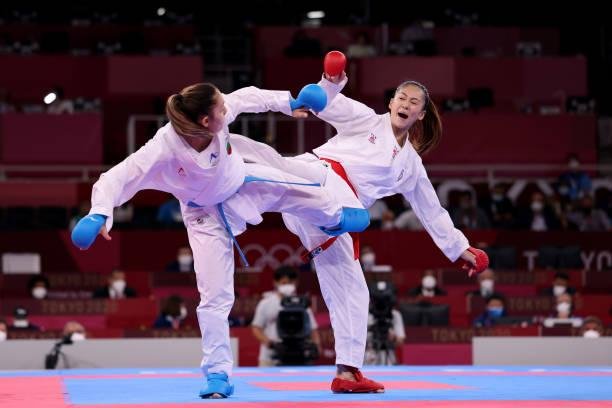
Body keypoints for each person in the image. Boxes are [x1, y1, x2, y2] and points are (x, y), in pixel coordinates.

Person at [71, 81, 369, 399]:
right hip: (204, 217)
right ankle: (217, 372)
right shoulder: (163, 148)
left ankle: (336, 217)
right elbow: (117, 176)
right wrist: (98, 213)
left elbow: (247, 96)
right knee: (214, 297)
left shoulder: (217, 112)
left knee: (303, 191)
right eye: (220, 109)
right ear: (204, 121)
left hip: (243, 184)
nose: (226, 109)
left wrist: (289, 103)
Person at [231, 53, 489, 393]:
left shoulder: (410, 165)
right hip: (320, 177)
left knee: (354, 291)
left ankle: (348, 372)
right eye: (401, 97)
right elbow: (328, 104)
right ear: (391, 101)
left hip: (331, 222)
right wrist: (331, 80)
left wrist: (461, 249)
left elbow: (432, 210)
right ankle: (224, 161)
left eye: (413, 102)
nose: (405, 104)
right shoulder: (367, 120)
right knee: (277, 168)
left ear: (421, 114)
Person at [251, 266, 320, 366]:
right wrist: (270, 344)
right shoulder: (265, 303)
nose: (287, 285)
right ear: (275, 282)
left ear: (296, 283)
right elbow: (256, 328)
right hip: (270, 357)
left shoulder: (302, 303)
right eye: (284, 283)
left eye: (291, 283)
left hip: (299, 355)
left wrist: (316, 346)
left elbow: (313, 329)